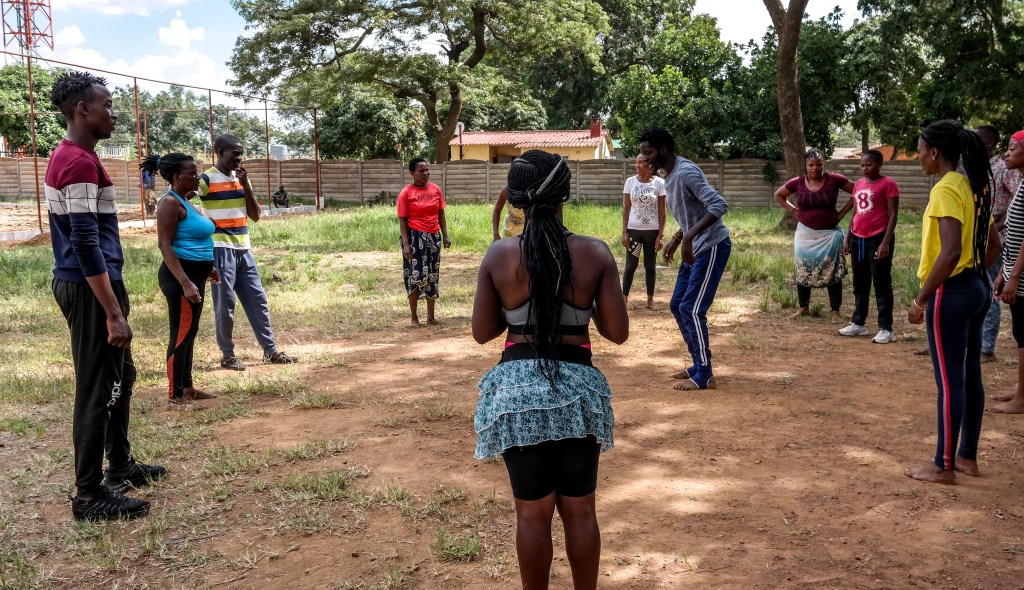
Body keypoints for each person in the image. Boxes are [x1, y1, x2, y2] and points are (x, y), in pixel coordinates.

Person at [472, 150, 628, 590]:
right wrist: (583, 305)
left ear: (516, 199)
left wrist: (518, 311)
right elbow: (617, 333)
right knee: (580, 511)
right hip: (577, 393)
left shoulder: (499, 255)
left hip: (516, 396)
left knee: (531, 515)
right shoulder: (594, 253)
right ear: (564, 194)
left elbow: (483, 332)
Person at [46, 71, 164, 520]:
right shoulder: (76, 162)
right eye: (108, 105)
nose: (114, 113)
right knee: (99, 388)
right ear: (83, 109)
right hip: (89, 286)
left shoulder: (78, 157)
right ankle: (89, 494)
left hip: (91, 282)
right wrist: (113, 311)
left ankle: (120, 464)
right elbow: (84, 241)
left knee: (121, 376)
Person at [905, 120, 999, 484]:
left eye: (919, 150)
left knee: (949, 381)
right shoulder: (971, 185)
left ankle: (943, 466)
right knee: (970, 375)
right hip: (976, 287)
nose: (917, 157)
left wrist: (921, 300)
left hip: (952, 293)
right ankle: (966, 457)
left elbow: (950, 252)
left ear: (934, 152)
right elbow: (993, 245)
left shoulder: (945, 189)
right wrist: (974, 276)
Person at [638, 127, 731, 391]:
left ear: (663, 150)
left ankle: (705, 374)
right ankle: (698, 364)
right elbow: (693, 212)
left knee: (691, 308)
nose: (644, 158)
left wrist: (688, 237)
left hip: (712, 246)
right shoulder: (669, 176)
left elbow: (718, 205)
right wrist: (678, 238)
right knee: (678, 304)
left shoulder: (686, 172)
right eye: (642, 153)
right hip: (695, 247)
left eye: (648, 153)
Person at [198, 134, 296, 370]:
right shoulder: (206, 179)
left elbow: (255, 215)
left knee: (258, 300)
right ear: (220, 153)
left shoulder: (242, 179)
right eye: (235, 153)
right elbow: (183, 196)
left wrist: (245, 186)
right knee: (225, 303)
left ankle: (270, 351)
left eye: (241, 153)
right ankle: (227, 355)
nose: (239, 158)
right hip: (220, 249)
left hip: (244, 249)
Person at [144, 153, 220, 407]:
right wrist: (186, 282)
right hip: (180, 278)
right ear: (177, 177)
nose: (198, 177)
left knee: (190, 332)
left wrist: (207, 269)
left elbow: (191, 239)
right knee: (180, 334)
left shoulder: (185, 201)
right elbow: (165, 246)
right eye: (192, 173)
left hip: (194, 275)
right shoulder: (169, 203)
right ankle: (175, 395)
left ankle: (187, 387)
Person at [774, 148, 855, 321]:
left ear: (824, 164)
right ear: (805, 165)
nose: (815, 168)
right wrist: (793, 211)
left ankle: (835, 311)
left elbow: (858, 191)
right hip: (805, 234)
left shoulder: (834, 179)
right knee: (803, 267)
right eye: (811, 165)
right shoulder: (797, 182)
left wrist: (842, 213)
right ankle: (804, 307)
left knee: (833, 270)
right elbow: (779, 195)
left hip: (830, 234)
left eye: (819, 164)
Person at [838, 150, 900, 343]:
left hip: (878, 238)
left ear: (879, 164)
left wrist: (885, 242)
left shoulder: (888, 184)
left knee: (881, 283)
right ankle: (858, 323)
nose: (864, 169)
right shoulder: (859, 184)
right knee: (860, 283)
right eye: (862, 165)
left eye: (869, 165)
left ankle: (886, 328)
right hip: (858, 239)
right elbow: (855, 213)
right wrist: (848, 237)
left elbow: (893, 214)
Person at [977, 126, 1019, 362]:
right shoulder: (979, 168)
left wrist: (1001, 224)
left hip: (998, 240)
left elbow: (1018, 197)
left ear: (990, 144)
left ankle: (986, 348)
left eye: (977, 140)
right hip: (979, 238)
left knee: (991, 291)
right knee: (980, 289)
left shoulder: (1003, 168)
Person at [991, 130, 1024, 414]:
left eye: (1012, 149)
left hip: (1022, 278)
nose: (1006, 153)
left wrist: (1014, 276)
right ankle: (1021, 389)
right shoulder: (1021, 183)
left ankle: (1022, 399)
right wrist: (1004, 270)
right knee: (1020, 334)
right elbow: (1014, 233)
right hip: (1014, 271)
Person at [398, 157, 451, 326]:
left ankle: (431, 316)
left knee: (432, 276)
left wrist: (445, 235)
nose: (425, 173)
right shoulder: (406, 193)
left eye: (427, 170)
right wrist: (406, 245)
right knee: (414, 276)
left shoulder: (435, 190)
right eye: (421, 171)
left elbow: (441, 213)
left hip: (433, 238)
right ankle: (414, 317)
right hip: (414, 239)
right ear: (412, 173)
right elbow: (403, 220)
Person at [621, 154, 667, 309]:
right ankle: (624, 299)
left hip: (652, 233)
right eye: (636, 162)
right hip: (634, 232)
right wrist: (624, 232)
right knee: (630, 265)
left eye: (640, 162)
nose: (637, 165)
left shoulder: (659, 183)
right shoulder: (630, 182)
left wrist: (661, 235)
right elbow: (626, 208)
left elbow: (662, 211)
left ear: (649, 164)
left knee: (650, 265)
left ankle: (650, 300)